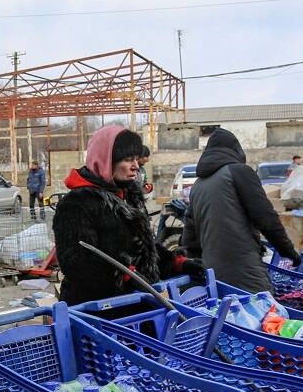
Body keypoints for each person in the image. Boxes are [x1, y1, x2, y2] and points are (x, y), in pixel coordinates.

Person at [53, 126, 203, 306]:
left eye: (136, 159)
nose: (136, 166)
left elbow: (142, 250)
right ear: (106, 161)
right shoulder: (77, 204)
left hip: (136, 304)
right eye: (127, 159)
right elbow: (77, 262)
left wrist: (177, 263)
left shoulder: (128, 197)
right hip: (98, 313)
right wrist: (124, 275)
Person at [183, 128, 301, 294]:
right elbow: (266, 218)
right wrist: (288, 251)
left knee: (228, 318)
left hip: (214, 276)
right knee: (266, 315)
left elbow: (190, 236)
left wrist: (197, 265)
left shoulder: (197, 186)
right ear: (236, 150)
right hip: (245, 270)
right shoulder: (239, 172)